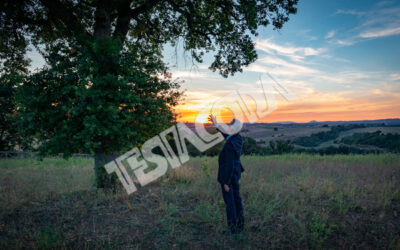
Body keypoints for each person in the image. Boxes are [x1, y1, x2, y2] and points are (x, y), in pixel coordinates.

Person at [209, 115, 245, 233]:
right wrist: (217, 124)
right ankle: (240, 224)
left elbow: (229, 165)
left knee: (230, 202)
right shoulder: (237, 139)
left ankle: (233, 229)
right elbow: (227, 134)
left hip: (229, 176)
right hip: (236, 174)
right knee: (237, 199)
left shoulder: (230, 145)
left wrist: (226, 182)